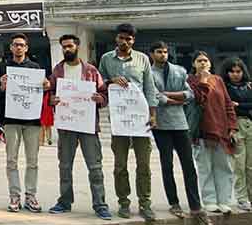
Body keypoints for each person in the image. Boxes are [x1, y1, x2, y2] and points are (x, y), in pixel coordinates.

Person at [46, 34, 112, 220]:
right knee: (65, 166)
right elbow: (50, 92)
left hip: (88, 125)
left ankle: (100, 204)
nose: (67, 49)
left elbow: (103, 93)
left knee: (95, 167)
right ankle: (65, 201)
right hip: (67, 125)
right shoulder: (57, 70)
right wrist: (51, 99)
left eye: (70, 46)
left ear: (77, 47)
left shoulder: (91, 70)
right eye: (64, 47)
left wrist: (101, 100)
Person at [98, 23, 158, 221]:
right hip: (118, 120)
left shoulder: (143, 59)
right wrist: (111, 81)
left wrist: (153, 114)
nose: (125, 42)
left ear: (133, 41)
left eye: (129, 39)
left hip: (140, 120)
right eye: (122, 38)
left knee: (144, 165)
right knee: (120, 165)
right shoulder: (106, 59)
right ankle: (123, 203)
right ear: (116, 38)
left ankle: (145, 203)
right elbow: (100, 84)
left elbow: (149, 87)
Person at [148, 42, 209, 224]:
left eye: (165, 51)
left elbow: (189, 95)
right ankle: (173, 202)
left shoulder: (179, 70)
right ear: (152, 54)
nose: (163, 55)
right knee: (167, 165)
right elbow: (153, 96)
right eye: (159, 52)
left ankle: (195, 205)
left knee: (189, 166)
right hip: (160, 124)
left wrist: (167, 95)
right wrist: (173, 99)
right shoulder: (148, 73)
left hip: (181, 123)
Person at [0, 33, 49, 213]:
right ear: (11, 48)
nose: (18, 47)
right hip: (11, 120)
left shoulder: (35, 68)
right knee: (11, 160)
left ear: (26, 48)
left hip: (32, 121)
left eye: (21, 45)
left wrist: (45, 87)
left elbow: (41, 93)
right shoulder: (2, 67)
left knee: (32, 161)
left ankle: (31, 196)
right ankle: (14, 196)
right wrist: (1, 88)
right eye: (15, 45)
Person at [187, 51, 237, 214]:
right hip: (202, 131)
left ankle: (224, 200)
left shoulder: (218, 80)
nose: (203, 63)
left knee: (224, 167)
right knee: (205, 168)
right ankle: (209, 201)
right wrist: (203, 80)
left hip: (221, 130)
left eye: (206, 60)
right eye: (199, 61)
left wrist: (231, 127)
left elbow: (228, 104)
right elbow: (198, 98)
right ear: (194, 64)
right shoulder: (190, 80)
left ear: (210, 63)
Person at [222, 58, 252, 212]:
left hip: (250, 124)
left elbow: (240, 105)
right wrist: (242, 107)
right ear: (227, 72)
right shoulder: (225, 87)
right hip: (236, 125)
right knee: (239, 165)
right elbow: (228, 107)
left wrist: (239, 105)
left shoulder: (249, 86)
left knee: (250, 165)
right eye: (232, 71)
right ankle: (242, 198)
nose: (235, 74)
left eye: (238, 71)